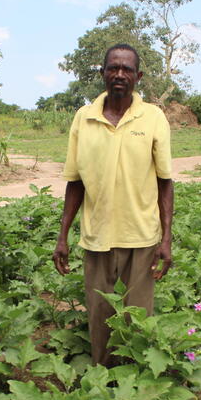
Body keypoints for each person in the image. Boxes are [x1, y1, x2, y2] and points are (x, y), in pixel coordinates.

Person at [52, 43, 174, 367]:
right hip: (97, 236)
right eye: (113, 68)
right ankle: (101, 386)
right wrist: (62, 236)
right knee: (100, 319)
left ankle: (135, 386)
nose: (119, 74)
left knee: (138, 320)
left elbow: (165, 181)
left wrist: (166, 239)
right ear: (102, 72)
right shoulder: (84, 118)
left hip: (142, 237)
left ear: (139, 76)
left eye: (127, 69)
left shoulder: (153, 118)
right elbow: (74, 181)